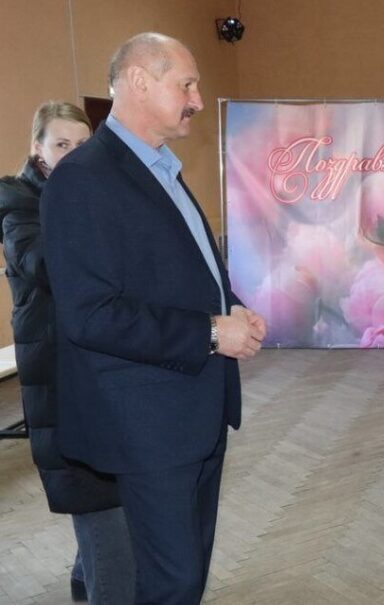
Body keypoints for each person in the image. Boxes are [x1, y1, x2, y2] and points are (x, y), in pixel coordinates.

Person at [41, 33, 266, 603]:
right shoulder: (83, 177)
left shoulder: (161, 168)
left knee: (185, 577)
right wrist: (211, 331)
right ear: (139, 82)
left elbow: (178, 273)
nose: (197, 99)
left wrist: (230, 305)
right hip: (146, 426)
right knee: (171, 582)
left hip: (196, 411)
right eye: (186, 85)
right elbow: (90, 314)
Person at [0, 101, 136, 603]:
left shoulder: (96, 193)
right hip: (60, 374)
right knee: (100, 502)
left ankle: (85, 582)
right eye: (62, 144)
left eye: (83, 144)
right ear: (38, 149)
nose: (75, 154)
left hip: (101, 369)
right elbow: (43, 263)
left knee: (106, 499)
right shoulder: (16, 199)